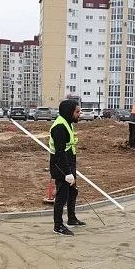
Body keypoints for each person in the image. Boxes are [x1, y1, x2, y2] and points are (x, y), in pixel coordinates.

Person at [49, 99, 84, 235]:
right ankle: (58, 226)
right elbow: (59, 152)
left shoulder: (68, 122)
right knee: (62, 196)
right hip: (60, 165)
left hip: (69, 161)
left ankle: (71, 218)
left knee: (73, 192)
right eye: (77, 111)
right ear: (69, 112)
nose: (79, 114)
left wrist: (71, 169)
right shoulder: (59, 127)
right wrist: (67, 173)